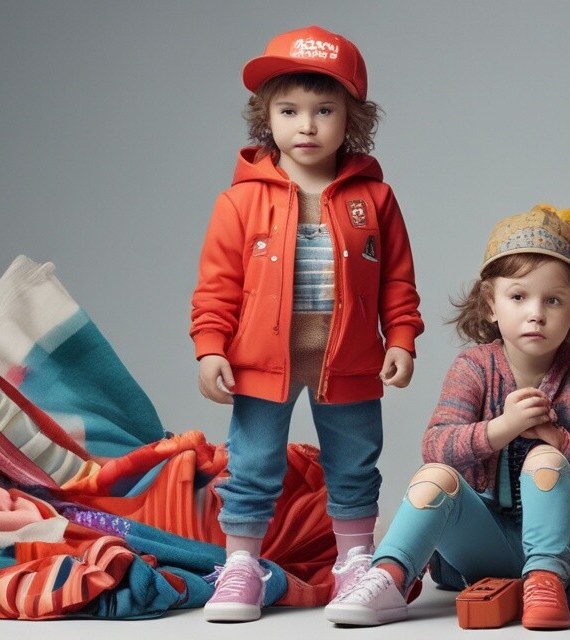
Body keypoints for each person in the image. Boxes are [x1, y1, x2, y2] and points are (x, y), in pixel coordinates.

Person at [190, 25, 422, 623]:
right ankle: (240, 565)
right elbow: (216, 286)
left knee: (354, 463)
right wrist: (211, 347)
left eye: (324, 110)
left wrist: (400, 338)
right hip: (259, 362)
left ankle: (355, 563)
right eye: (289, 111)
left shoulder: (375, 198)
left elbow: (397, 279)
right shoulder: (239, 201)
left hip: (348, 360)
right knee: (252, 463)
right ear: (266, 117)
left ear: (352, 119)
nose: (307, 126)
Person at [325, 205, 570, 630]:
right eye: (518, 297)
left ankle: (546, 583)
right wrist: (502, 428)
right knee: (434, 477)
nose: (536, 312)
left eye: (553, 300)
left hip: (568, 546)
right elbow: (436, 446)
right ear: (490, 305)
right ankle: (388, 578)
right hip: (486, 544)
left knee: (546, 460)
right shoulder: (473, 368)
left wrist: (559, 441)